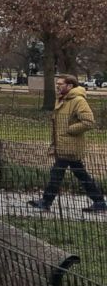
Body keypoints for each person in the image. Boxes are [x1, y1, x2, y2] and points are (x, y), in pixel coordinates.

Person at [28, 74, 106, 213]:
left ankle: (46, 202)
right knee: (80, 174)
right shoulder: (63, 100)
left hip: (70, 145)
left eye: (61, 84)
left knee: (57, 174)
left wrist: (69, 130)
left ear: (70, 86)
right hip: (63, 144)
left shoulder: (78, 101)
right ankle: (99, 202)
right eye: (57, 83)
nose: (58, 86)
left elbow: (88, 122)